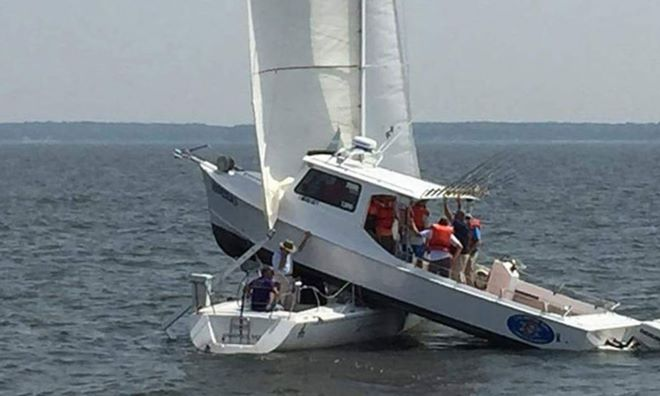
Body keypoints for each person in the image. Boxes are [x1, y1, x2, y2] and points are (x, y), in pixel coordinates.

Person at [444, 197, 471, 283]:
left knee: (455, 274)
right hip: (464, 253)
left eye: (456, 215)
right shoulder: (464, 225)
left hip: (460, 254)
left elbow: (448, 215)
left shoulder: (459, 225)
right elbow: (459, 214)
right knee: (459, 272)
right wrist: (459, 204)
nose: (454, 215)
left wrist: (445, 204)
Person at [464, 214, 482, 285]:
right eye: (466, 219)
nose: (467, 220)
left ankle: (470, 285)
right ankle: (466, 282)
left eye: (468, 219)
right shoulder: (465, 227)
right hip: (467, 250)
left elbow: (478, 241)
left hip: (473, 251)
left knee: (469, 268)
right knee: (465, 268)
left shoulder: (475, 228)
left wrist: (470, 250)